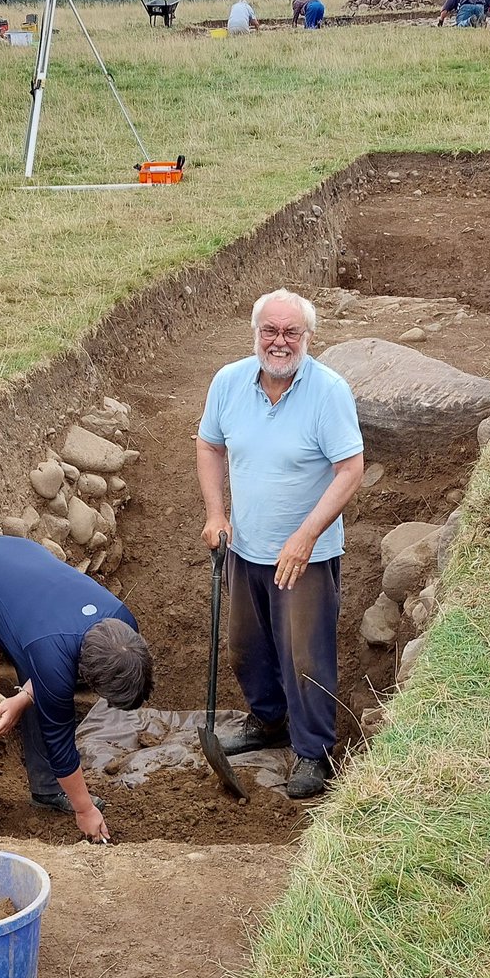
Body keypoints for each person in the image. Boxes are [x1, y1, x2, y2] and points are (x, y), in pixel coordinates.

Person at [195, 289, 364, 799]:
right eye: (270, 331)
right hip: (245, 547)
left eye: (292, 332)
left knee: (305, 657)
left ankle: (313, 751)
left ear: (308, 337)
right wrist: (216, 513)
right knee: (248, 646)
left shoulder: (328, 392)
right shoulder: (228, 382)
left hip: (305, 557)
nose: (280, 341)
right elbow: (208, 443)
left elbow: (350, 468)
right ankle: (268, 721)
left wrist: (306, 536)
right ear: (255, 334)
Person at [0, 535, 153, 841]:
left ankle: (47, 790)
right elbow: (59, 739)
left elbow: (51, 678)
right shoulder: (52, 654)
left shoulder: (123, 625)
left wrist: (23, 697)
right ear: (87, 673)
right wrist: (84, 810)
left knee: (43, 694)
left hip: (14, 580)